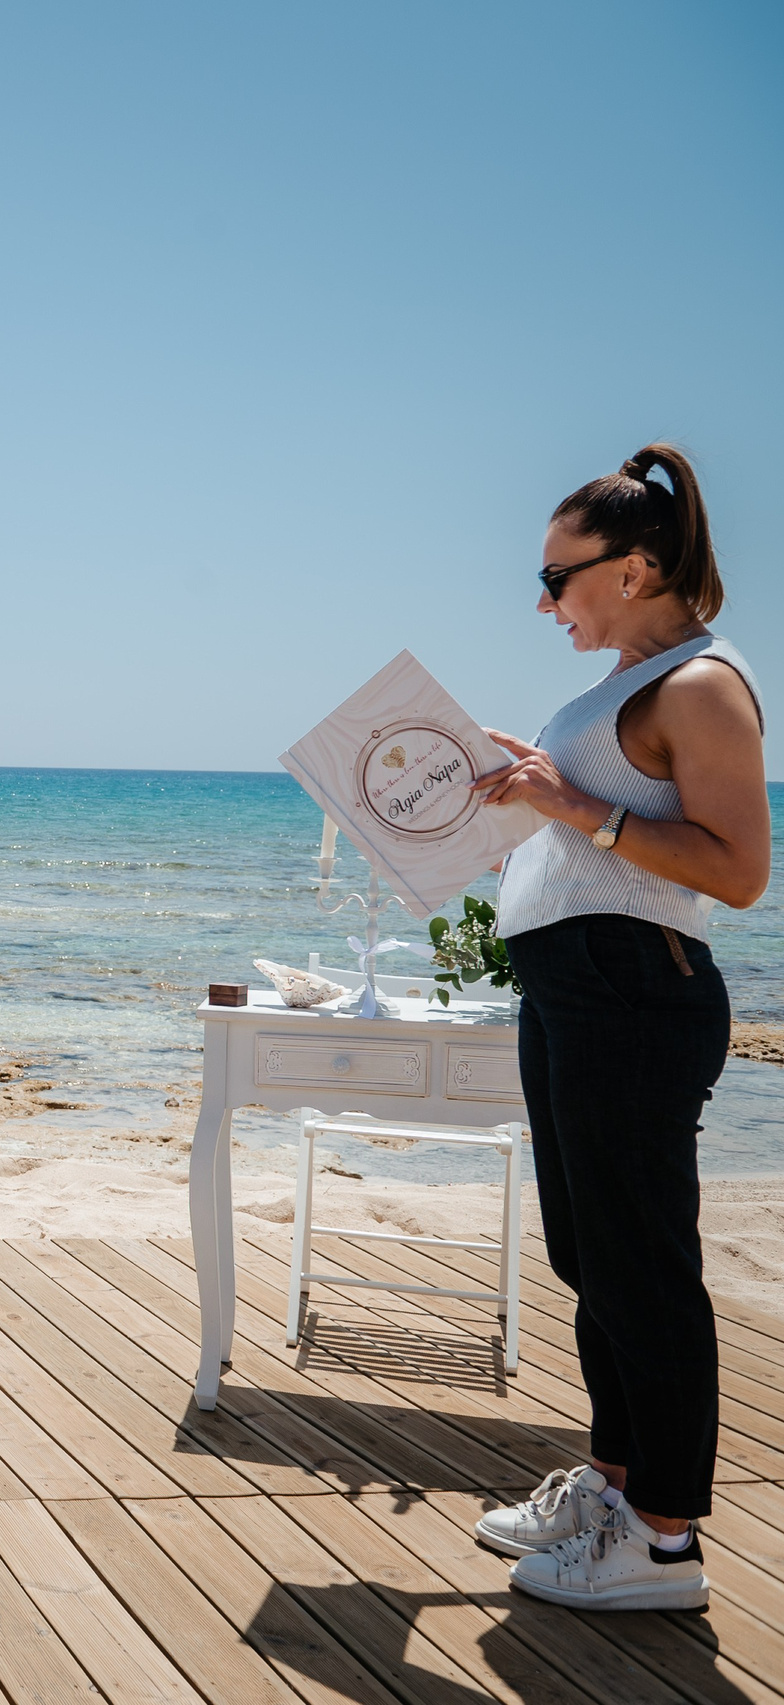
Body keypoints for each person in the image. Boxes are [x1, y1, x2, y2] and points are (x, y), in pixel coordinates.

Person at [470, 444, 766, 1612]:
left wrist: (571, 805)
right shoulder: (627, 681)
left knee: (643, 1268)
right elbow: (590, 824)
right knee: (590, 1258)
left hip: (634, 991)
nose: (545, 602)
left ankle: (663, 1542)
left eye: (558, 577)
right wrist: (532, 788)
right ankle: (613, 1483)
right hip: (577, 985)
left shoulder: (702, 686)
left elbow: (739, 871)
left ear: (637, 567)